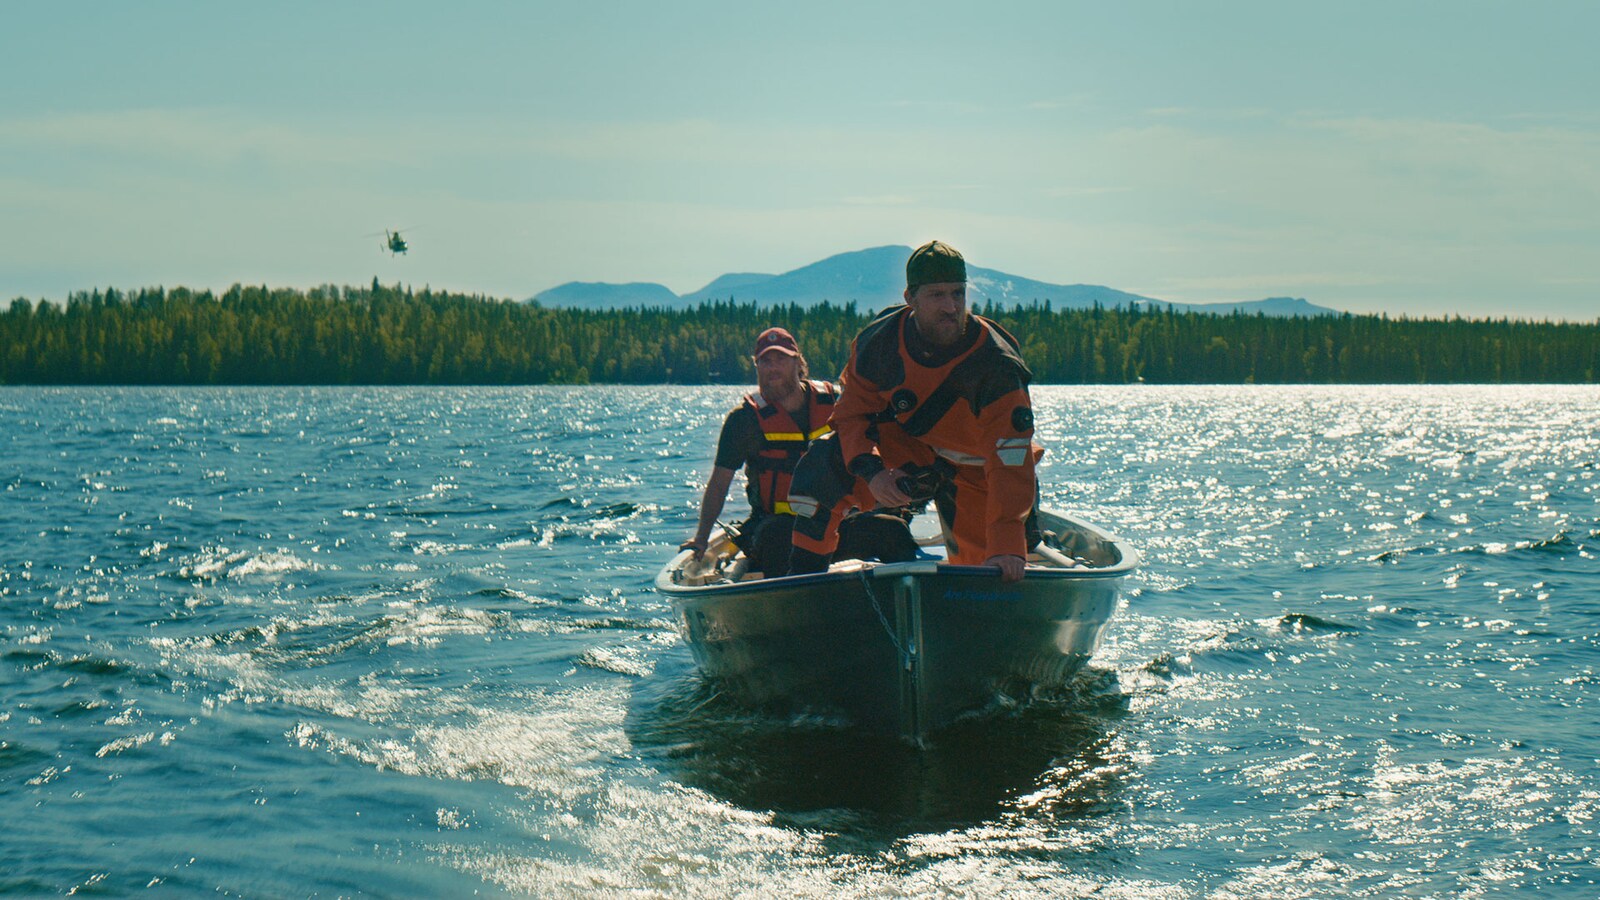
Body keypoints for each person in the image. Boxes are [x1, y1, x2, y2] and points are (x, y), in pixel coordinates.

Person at [787, 240, 1042, 582]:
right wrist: (874, 473)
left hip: (980, 470)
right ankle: (803, 589)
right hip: (914, 453)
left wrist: (1008, 546)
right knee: (821, 468)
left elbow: (1010, 457)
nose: (951, 307)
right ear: (910, 298)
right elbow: (851, 416)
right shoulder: (879, 343)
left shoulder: (996, 365)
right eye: (937, 295)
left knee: (988, 576)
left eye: (958, 294)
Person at [678, 327, 840, 577]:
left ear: (798, 363)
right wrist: (701, 538)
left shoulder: (836, 403)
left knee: (887, 529)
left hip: (837, 519)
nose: (772, 368)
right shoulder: (744, 420)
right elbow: (719, 483)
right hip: (776, 525)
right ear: (757, 367)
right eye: (765, 361)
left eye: (781, 359)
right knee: (779, 537)